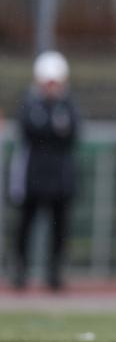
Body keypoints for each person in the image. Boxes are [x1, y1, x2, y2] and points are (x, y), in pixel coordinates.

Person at [11, 51, 80, 292]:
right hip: (33, 177)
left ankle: (55, 273)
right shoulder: (30, 104)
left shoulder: (68, 105)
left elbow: (72, 134)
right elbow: (30, 131)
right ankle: (20, 271)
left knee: (59, 229)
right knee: (25, 226)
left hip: (60, 178)